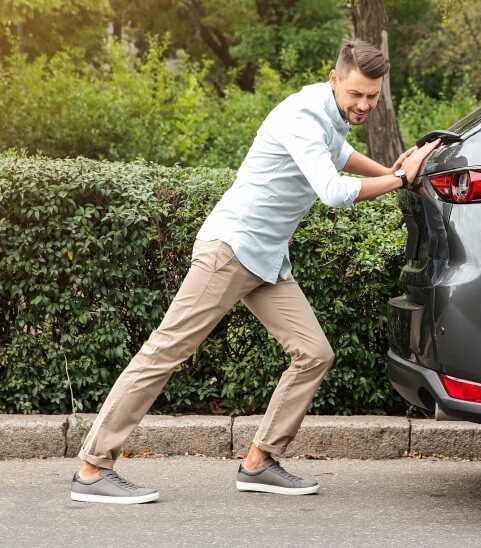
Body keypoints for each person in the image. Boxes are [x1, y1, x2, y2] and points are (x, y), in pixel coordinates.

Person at [69, 39, 440, 504]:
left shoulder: (326, 115)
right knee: (165, 351)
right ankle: (93, 468)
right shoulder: (303, 115)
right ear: (334, 80)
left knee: (314, 354)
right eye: (356, 95)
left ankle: (259, 462)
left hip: (266, 259)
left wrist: (391, 167)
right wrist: (400, 179)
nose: (364, 105)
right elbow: (331, 188)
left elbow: (340, 154)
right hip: (231, 249)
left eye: (373, 96)